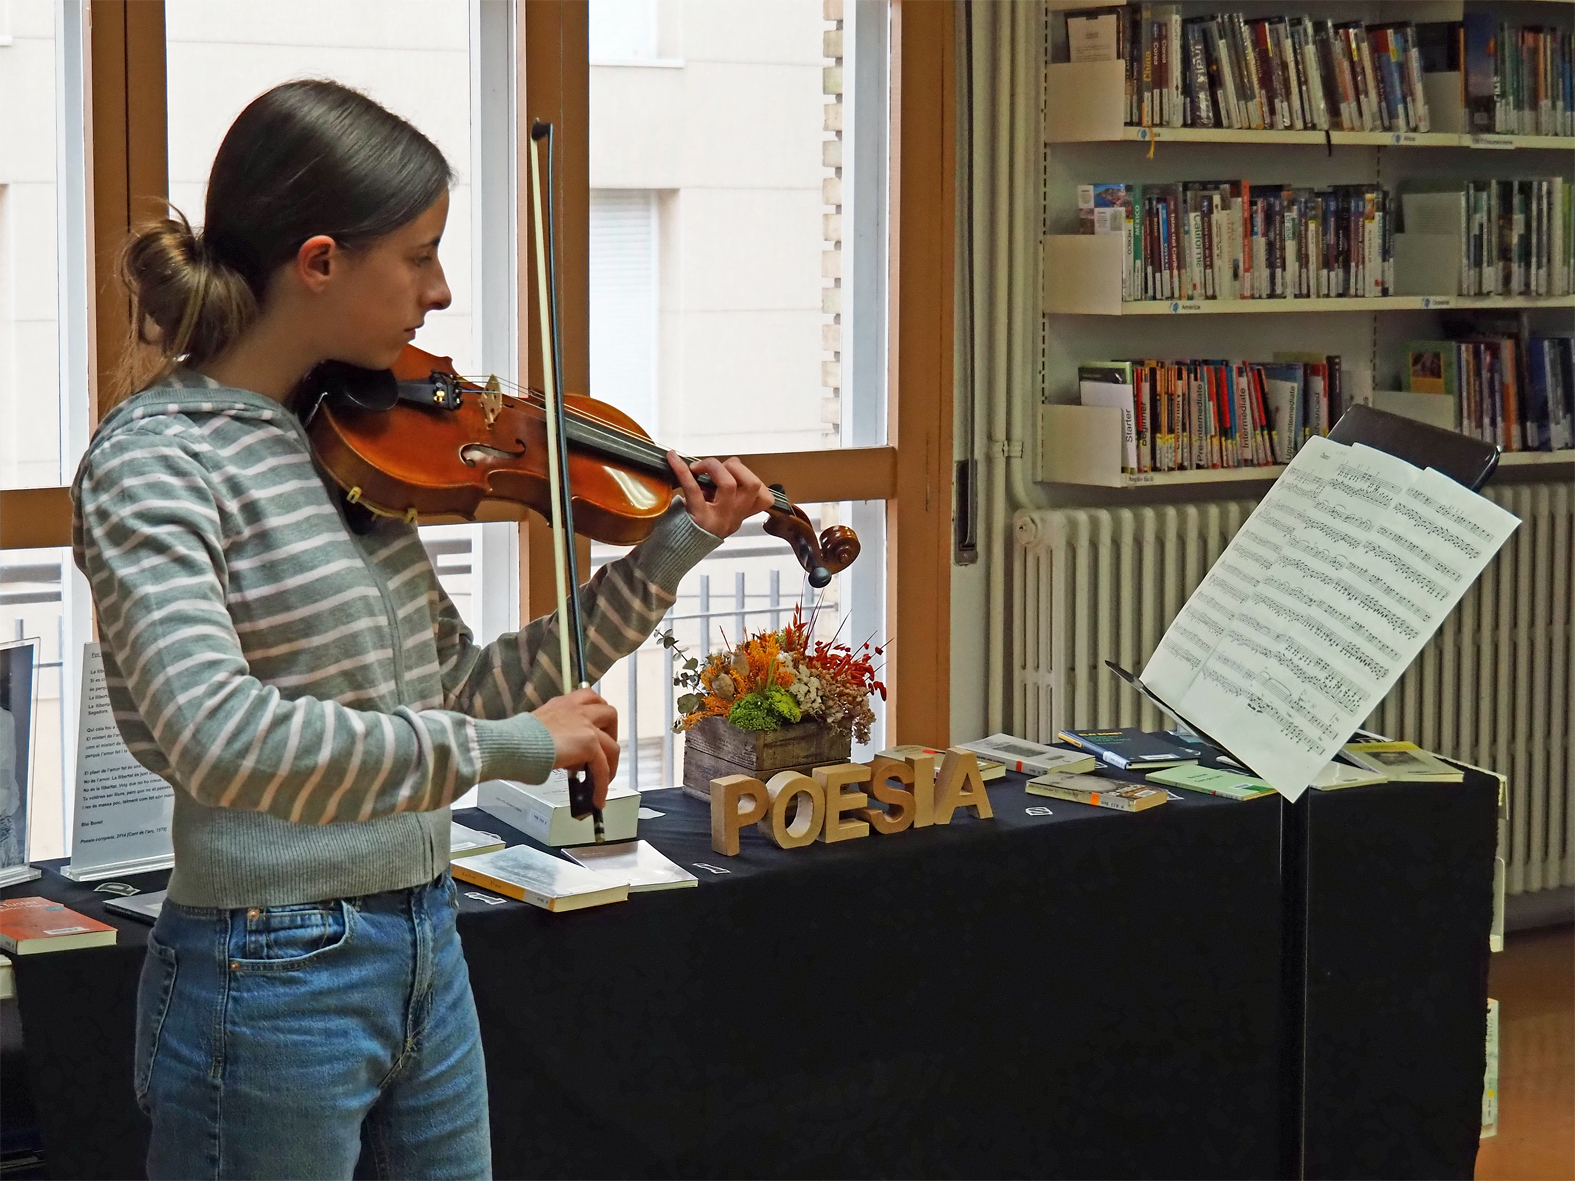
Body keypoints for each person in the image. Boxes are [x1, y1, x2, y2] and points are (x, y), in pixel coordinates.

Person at [70, 79, 770, 1181]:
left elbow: (460, 679)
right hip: (268, 967)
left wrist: (671, 548)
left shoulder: (350, 441)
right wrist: (507, 749)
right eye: (420, 254)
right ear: (319, 262)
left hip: (423, 936)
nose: (441, 293)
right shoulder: (159, 461)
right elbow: (217, 734)